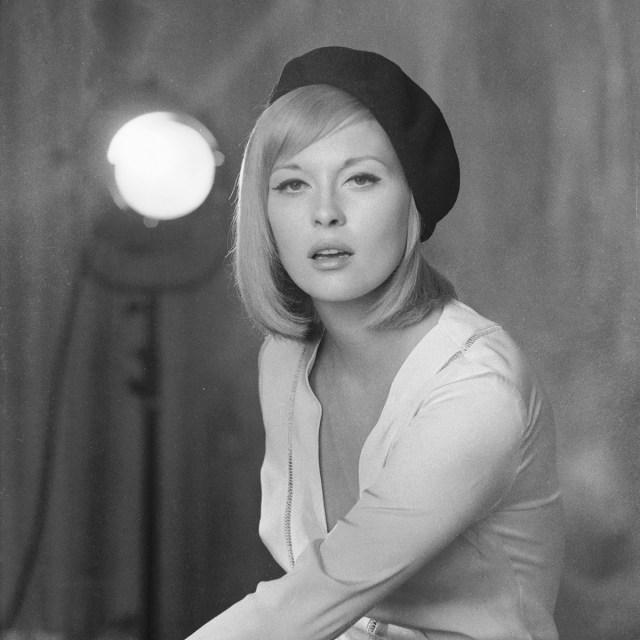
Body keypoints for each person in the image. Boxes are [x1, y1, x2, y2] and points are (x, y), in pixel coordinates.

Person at [187, 46, 564, 640]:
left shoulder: (476, 390)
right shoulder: (284, 360)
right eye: (292, 184)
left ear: (412, 200)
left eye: (360, 178)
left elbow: (310, 601)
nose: (325, 213)